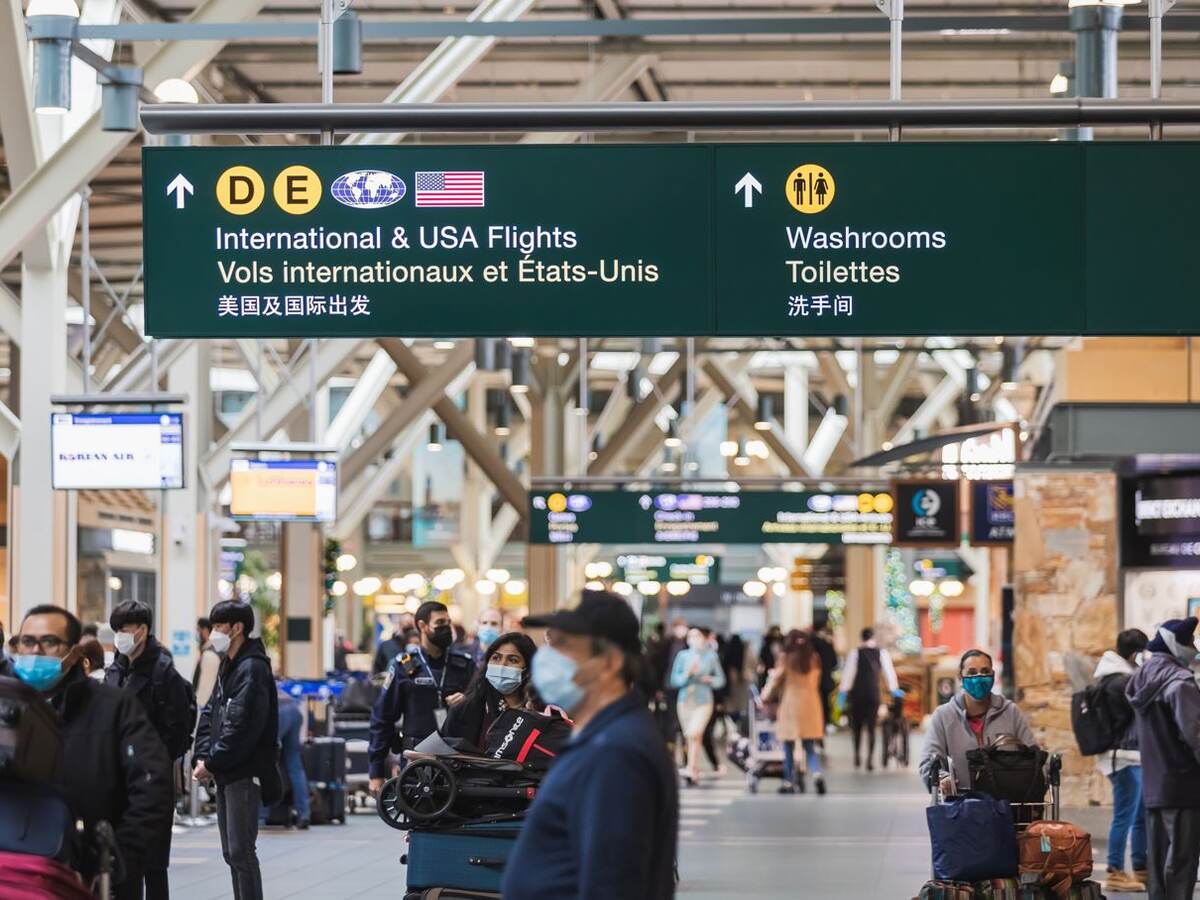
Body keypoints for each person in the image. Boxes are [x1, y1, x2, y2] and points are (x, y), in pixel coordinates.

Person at [502, 591, 678, 899]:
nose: (547, 658)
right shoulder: (602, 735)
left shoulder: (615, 753)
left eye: (564, 647)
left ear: (609, 662)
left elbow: (612, 883)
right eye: (550, 642)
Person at [12, 604, 172, 898]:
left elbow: (153, 783)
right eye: (27, 641)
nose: (35, 652)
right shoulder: (7, 704)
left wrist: (122, 854)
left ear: (73, 652)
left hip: (88, 871)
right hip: (15, 870)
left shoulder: (112, 707)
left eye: (49, 642)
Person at [104, 601, 197, 900]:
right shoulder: (116, 669)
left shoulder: (164, 674)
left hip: (152, 782)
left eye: (124, 629)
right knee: (121, 862)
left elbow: (179, 731)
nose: (119, 636)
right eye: (116, 629)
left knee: (154, 865)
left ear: (142, 631)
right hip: (116, 779)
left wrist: (152, 761)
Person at [192, 601, 280, 900]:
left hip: (243, 771)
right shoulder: (230, 665)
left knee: (241, 851)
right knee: (232, 852)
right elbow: (211, 713)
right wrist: (203, 755)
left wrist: (213, 762)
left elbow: (242, 727)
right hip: (227, 769)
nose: (213, 633)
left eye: (218, 627)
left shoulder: (252, 668)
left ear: (237, 628)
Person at [368, 600, 475, 796]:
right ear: (422, 626)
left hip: (458, 757)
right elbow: (382, 718)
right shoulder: (404, 666)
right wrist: (376, 772)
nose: (446, 628)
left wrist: (468, 700)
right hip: (416, 759)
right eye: (440, 623)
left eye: (448, 622)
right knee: (419, 817)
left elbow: (482, 708)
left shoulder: (464, 665)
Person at [1127, 617, 1200, 900]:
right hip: (1183, 784)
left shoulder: (1142, 678)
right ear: (1174, 645)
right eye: (1190, 642)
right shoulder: (1179, 683)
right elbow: (1195, 734)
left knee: (1156, 863)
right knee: (1182, 862)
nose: (1193, 648)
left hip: (1154, 783)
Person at [919, 649, 1034, 795]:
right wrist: (942, 779)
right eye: (972, 673)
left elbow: (1032, 754)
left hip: (1007, 804)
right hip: (961, 805)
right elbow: (928, 761)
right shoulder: (944, 716)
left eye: (985, 671)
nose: (979, 677)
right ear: (960, 678)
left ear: (993, 676)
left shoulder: (1011, 713)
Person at [1091, 628, 1150, 894]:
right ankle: (1115, 870)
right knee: (1125, 815)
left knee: (1138, 814)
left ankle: (1141, 867)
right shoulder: (1121, 682)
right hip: (1123, 757)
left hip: (1127, 756)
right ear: (1136, 654)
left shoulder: (1112, 677)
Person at [444, 630, 546, 748]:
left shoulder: (541, 711)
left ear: (528, 670)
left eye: (513, 660)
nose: (502, 665)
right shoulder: (464, 710)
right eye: (496, 658)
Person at [766, 629, 827, 795]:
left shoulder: (786, 658)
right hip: (811, 703)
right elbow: (817, 681)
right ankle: (817, 774)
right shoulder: (814, 658)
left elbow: (776, 681)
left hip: (791, 703)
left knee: (788, 745)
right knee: (809, 745)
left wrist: (765, 696)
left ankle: (788, 781)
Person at [670, 626, 726, 786]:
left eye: (698, 636)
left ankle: (690, 767)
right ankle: (693, 769)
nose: (695, 639)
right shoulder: (682, 656)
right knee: (691, 736)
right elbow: (674, 680)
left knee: (695, 732)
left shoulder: (711, 657)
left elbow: (721, 680)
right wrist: (687, 674)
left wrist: (710, 680)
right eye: (692, 636)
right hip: (685, 700)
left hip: (704, 700)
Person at [839, 627, 902, 770]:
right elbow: (889, 673)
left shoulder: (855, 653)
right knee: (872, 727)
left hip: (857, 694)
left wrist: (843, 691)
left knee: (857, 726)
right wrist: (894, 690)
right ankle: (870, 760)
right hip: (874, 694)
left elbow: (848, 674)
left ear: (861, 638)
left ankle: (856, 756)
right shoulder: (882, 653)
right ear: (873, 638)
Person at [269, 684, 311, 829]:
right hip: (294, 709)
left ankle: (263, 814)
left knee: (265, 759)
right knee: (294, 764)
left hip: (279, 712)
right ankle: (303, 813)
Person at [810, 618, 839, 737]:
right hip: (825, 679)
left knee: (813, 704)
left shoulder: (809, 643)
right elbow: (834, 663)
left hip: (810, 681)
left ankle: (814, 727)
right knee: (824, 703)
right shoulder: (827, 643)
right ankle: (824, 724)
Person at [193, 616, 221, 710]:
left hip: (203, 708)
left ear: (205, 631)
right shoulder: (208, 651)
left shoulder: (209, 655)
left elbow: (205, 689)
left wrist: (198, 707)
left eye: (198, 630)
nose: (197, 634)